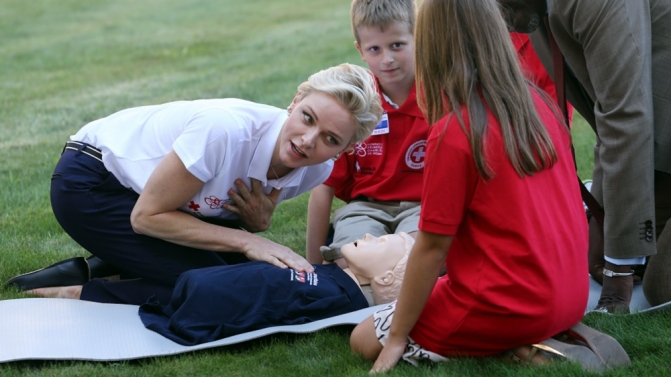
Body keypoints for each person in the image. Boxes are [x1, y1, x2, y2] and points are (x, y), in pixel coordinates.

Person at [3, 63, 384, 306]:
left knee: (252, 277)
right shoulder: (226, 131)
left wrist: (255, 224)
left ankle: (104, 267)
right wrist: (251, 239)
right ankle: (72, 294)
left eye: (330, 139)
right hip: (92, 182)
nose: (307, 140)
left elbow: (219, 208)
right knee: (212, 285)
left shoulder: (315, 169)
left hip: (158, 200)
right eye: (307, 117)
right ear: (296, 99)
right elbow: (147, 217)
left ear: (346, 149)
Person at [349, 0, 596, 371]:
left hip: (505, 303)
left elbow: (432, 247)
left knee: (362, 337)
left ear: (431, 44)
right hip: (571, 295)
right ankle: (531, 338)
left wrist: (397, 335)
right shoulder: (539, 102)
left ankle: (518, 347)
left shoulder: (456, 131)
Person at [497, 0, 671, 313]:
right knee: (594, 252)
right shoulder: (530, 10)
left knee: (661, 283)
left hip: (657, 135)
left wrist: (619, 270)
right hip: (658, 141)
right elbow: (611, 120)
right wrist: (603, 214)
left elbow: (625, 116)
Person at [306, 0, 427, 268]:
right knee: (350, 263)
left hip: (424, 207)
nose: (387, 59)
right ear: (360, 50)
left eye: (397, 45)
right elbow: (324, 185)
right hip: (365, 209)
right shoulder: (355, 104)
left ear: (418, 36)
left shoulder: (441, 97)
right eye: (375, 49)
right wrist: (314, 267)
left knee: (415, 261)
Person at [140, 233, 414, 346]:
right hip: (202, 286)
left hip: (205, 304)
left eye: (379, 242)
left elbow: (278, 316)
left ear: (386, 279)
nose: (368, 236)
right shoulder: (334, 276)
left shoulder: (338, 302)